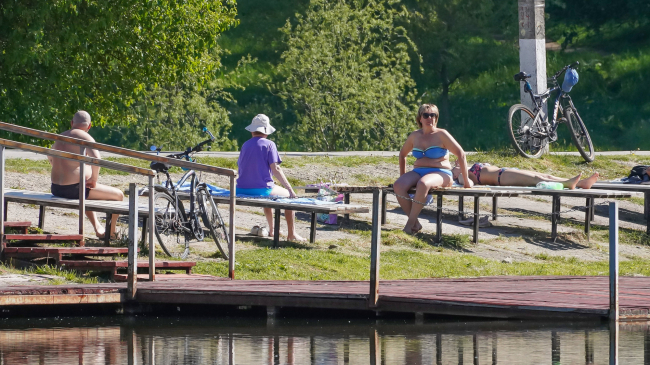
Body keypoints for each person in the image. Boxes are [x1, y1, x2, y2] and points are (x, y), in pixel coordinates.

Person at [393, 104, 474, 234]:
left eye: (433, 115)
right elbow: (403, 154)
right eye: (426, 115)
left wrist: (466, 181)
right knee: (398, 185)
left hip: (441, 173)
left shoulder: (442, 134)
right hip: (418, 171)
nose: (430, 118)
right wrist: (402, 176)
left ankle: (409, 226)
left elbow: (461, 154)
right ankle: (415, 223)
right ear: (420, 118)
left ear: (437, 118)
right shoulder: (415, 135)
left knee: (424, 183)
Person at [48, 111, 124, 238]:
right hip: (74, 189)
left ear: (72, 123)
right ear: (89, 126)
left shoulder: (60, 137)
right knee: (119, 195)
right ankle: (111, 232)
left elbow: (50, 157)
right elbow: (97, 159)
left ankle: (98, 227)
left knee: (86, 189)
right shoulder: (84, 137)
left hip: (56, 188)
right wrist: (94, 179)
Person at [236, 114, 306, 242]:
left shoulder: (245, 145)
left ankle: (273, 229)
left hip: (241, 189)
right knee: (289, 199)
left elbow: (241, 166)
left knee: (268, 194)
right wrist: (290, 190)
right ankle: (292, 234)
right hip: (261, 190)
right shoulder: (269, 145)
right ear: (266, 131)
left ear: (252, 130)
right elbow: (276, 169)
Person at [451, 161, 599, 189]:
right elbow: (468, 184)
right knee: (536, 179)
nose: (455, 166)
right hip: (501, 178)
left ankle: (579, 183)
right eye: (453, 168)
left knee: (541, 174)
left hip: (504, 171)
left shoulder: (466, 167)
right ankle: (572, 183)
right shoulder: (461, 176)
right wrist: (461, 175)